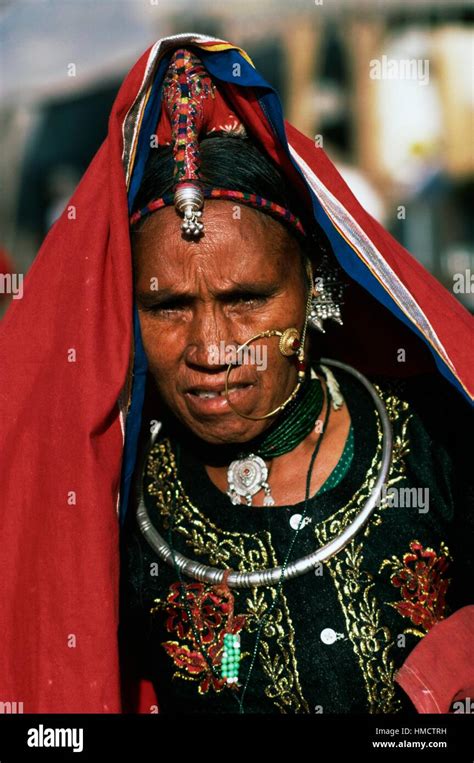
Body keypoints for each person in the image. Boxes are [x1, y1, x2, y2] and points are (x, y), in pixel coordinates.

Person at [0, 33, 472, 716]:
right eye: (168, 306)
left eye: (246, 299)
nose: (212, 348)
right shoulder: (121, 520)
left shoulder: (434, 443)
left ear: (314, 284)